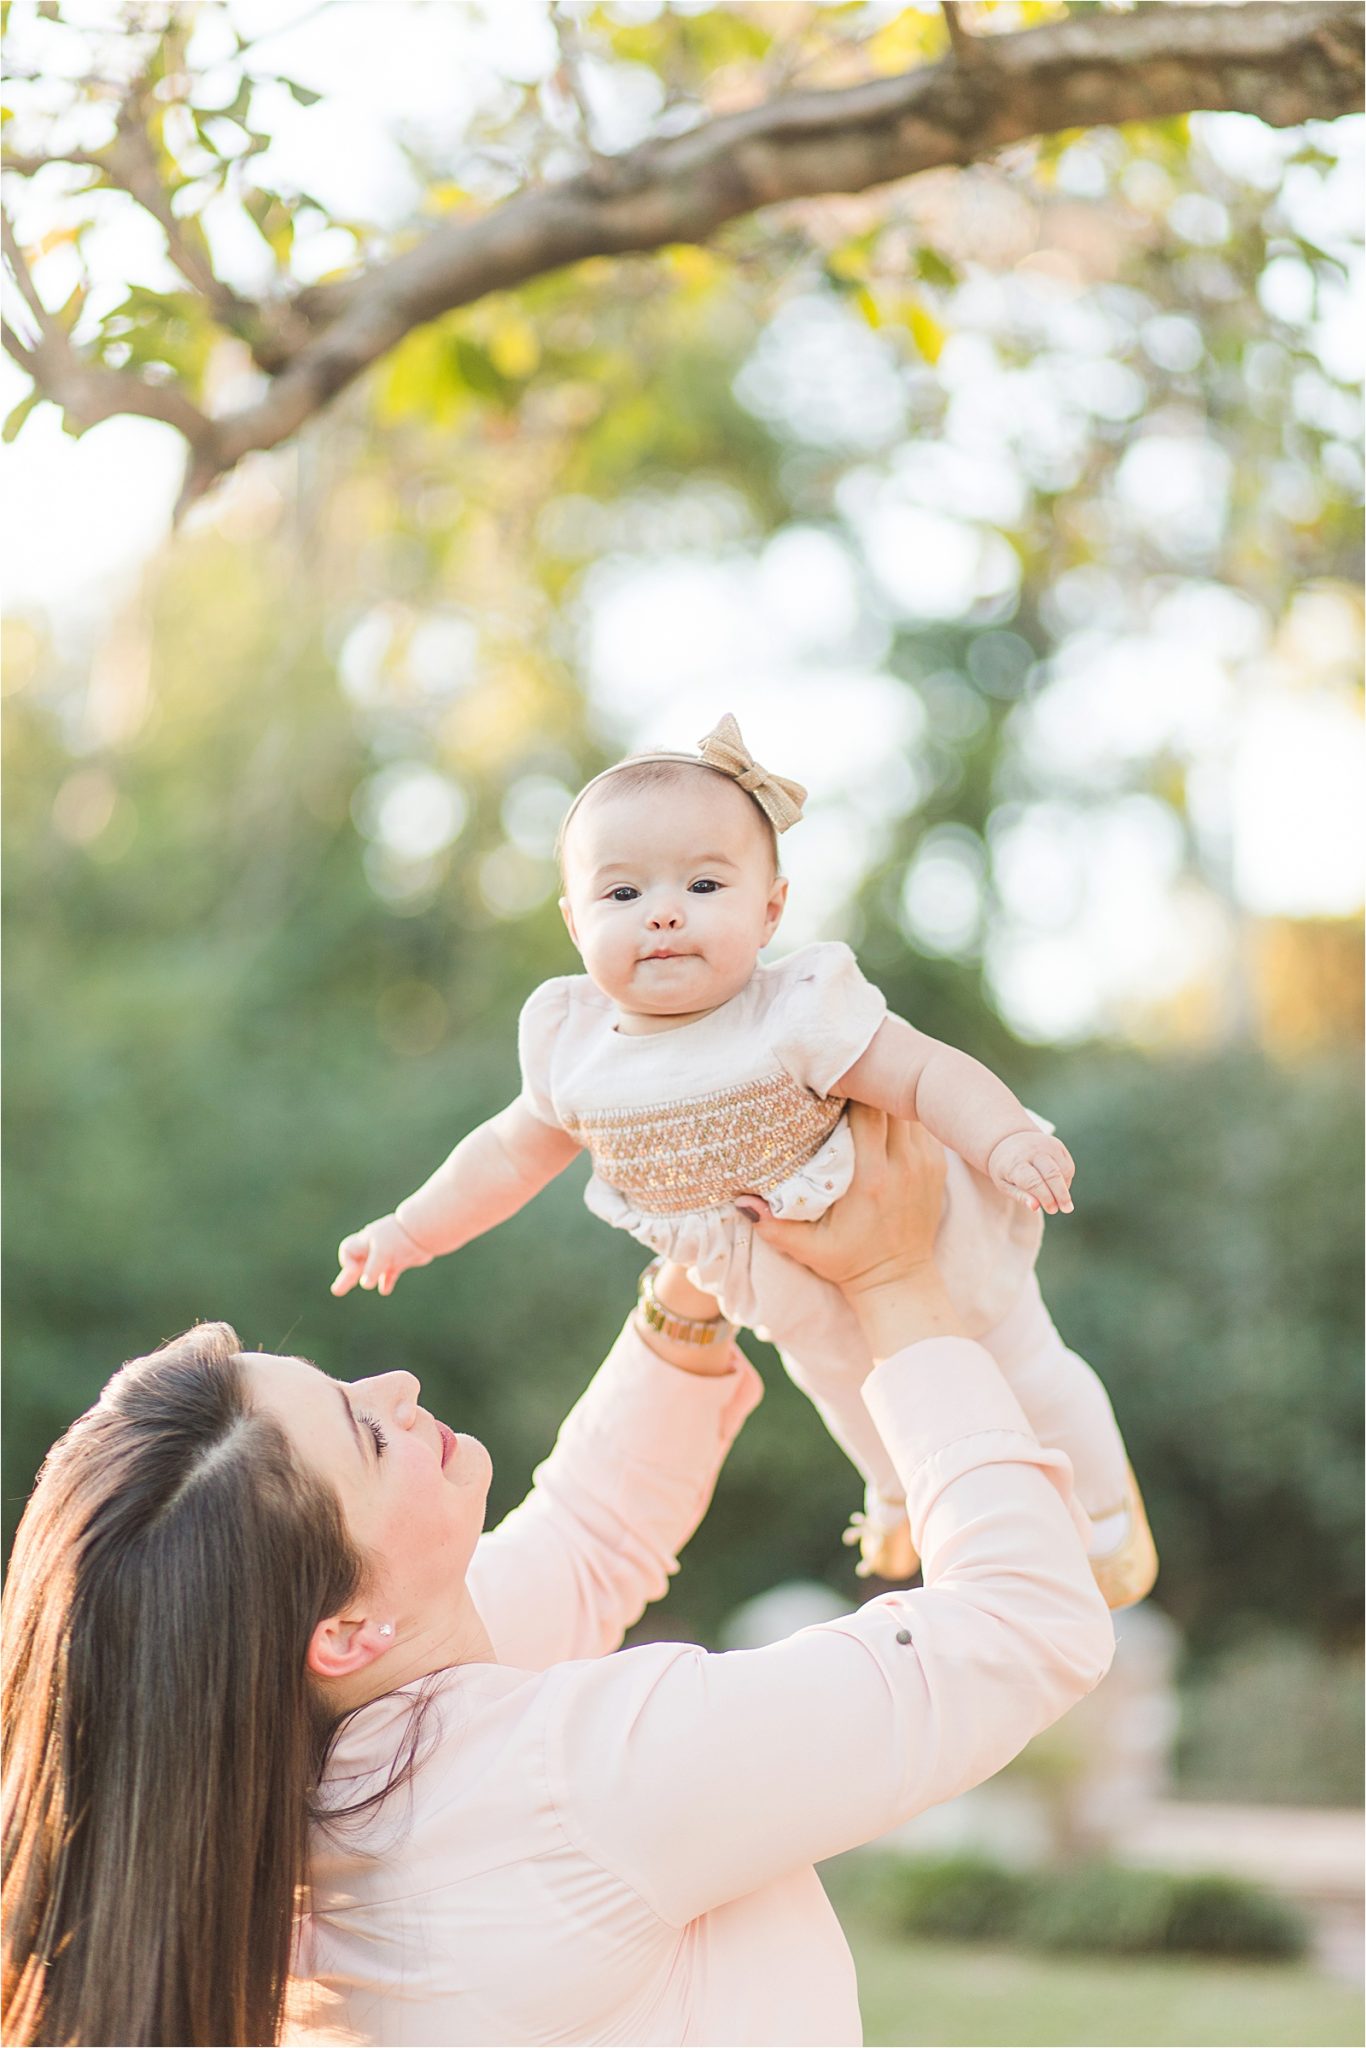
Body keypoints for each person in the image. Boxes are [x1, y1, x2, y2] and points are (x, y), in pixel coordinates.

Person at [2, 1110, 1114, 2048]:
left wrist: (697, 1273)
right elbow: (1021, 1626)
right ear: (342, 1627)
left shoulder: (306, 1769)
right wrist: (891, 1276)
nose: (398, 1381)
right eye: (367, 1430)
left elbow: (586, 1536)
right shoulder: (578, 1781)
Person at [332, 714, 1155, 1603]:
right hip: (774, 1268)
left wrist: (1005, 1138)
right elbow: (503, 1156)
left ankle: (1106, 1515)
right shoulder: (573, 1047)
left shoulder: (795, 1012)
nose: (664, 911)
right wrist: (410, 1229)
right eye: (622, 895)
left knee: (1021, 1361)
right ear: (574, 923)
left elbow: (922, 1074)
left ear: (770, 910)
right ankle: (899, 1490)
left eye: (703, 883)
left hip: (917, 1232)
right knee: (848, 1389)